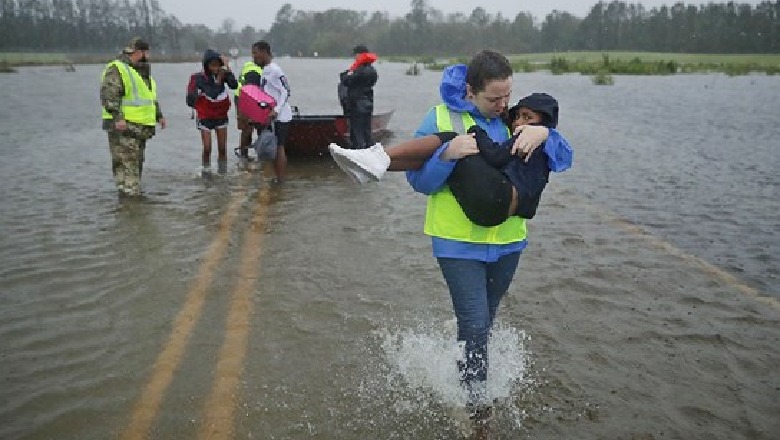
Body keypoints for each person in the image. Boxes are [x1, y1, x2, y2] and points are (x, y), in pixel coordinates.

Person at [349, 50, 573, 421]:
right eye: (494, 98)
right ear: (471, 91)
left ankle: (466, 369)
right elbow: (420, 183)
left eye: (507, 96)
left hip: (508, 243)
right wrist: (446, 156)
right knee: (474, 322)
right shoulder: (440, 117)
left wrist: (545, 132)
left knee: (484, 321)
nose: (503, 105)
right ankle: (477, 410)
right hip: (457, 244)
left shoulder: (515, 119)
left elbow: (563, 160)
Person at [329, 92, 569, 225]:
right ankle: (372, 164)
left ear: (544, 121)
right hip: (493, 214)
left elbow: (496, 157)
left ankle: (377, 159)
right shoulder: (524, 133)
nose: (519, 123)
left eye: (528, 117)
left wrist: (545, 132)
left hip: (498, 202)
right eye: (518, 116)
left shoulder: (535, 138)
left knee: (451, 138)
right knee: (449, 148)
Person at [100, 37, 166, 197]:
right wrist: (118, 118)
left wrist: (159, 115)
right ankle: (131, 199)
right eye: (146, 52)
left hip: (139, 126)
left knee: (135, 163)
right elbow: (109, 95)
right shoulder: (117, 68)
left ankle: (128, 204)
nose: (148, 56)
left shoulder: (141, 72)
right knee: (127, 163)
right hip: (123, 126)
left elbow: (150, 97)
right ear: (138, 52)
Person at [186, 49, 238, 175]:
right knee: (207, 148)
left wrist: (228, 69)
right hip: (205, 116)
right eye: (212, 65)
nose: (215, 68)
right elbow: (211, 94)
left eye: (218, 65)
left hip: (220, 115)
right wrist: (218, 81)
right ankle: (206, 172)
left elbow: (234, 85)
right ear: (206, 66)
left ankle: (222, 172)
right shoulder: (197, 78)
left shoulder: (223, 74)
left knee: (222, 148)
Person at [252, 41, 293, 183]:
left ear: (264, 52)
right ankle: (275, 177)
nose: (254, 57)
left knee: (280, 147)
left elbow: (286, 91)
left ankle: (281, 180)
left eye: (255, 53)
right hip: (271, 116)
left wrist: (276, 110)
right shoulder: (265, 70)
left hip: (281, 116)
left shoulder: (275, 70)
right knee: (272, 147)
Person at [340, 44, 378, 149]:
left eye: (355, 55)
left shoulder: (359, 71)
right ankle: (369, 150)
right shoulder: (372, 71)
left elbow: (346, 80)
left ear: (360, 55)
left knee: (357, 132)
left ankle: (359, 152)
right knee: (367, 131)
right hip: (368, 104)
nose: (354, 58)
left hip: (356, 105)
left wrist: (346, 75)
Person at [234, 42, 265, 160]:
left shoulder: (264, 67)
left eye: (255, 53)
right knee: (248, 128)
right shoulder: (253, 69)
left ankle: (249, 154)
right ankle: (244, 156)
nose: (254, 56)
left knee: (256, 127)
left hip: (250, 97)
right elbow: (251, 91)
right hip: (244, 98)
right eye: (253, 53)